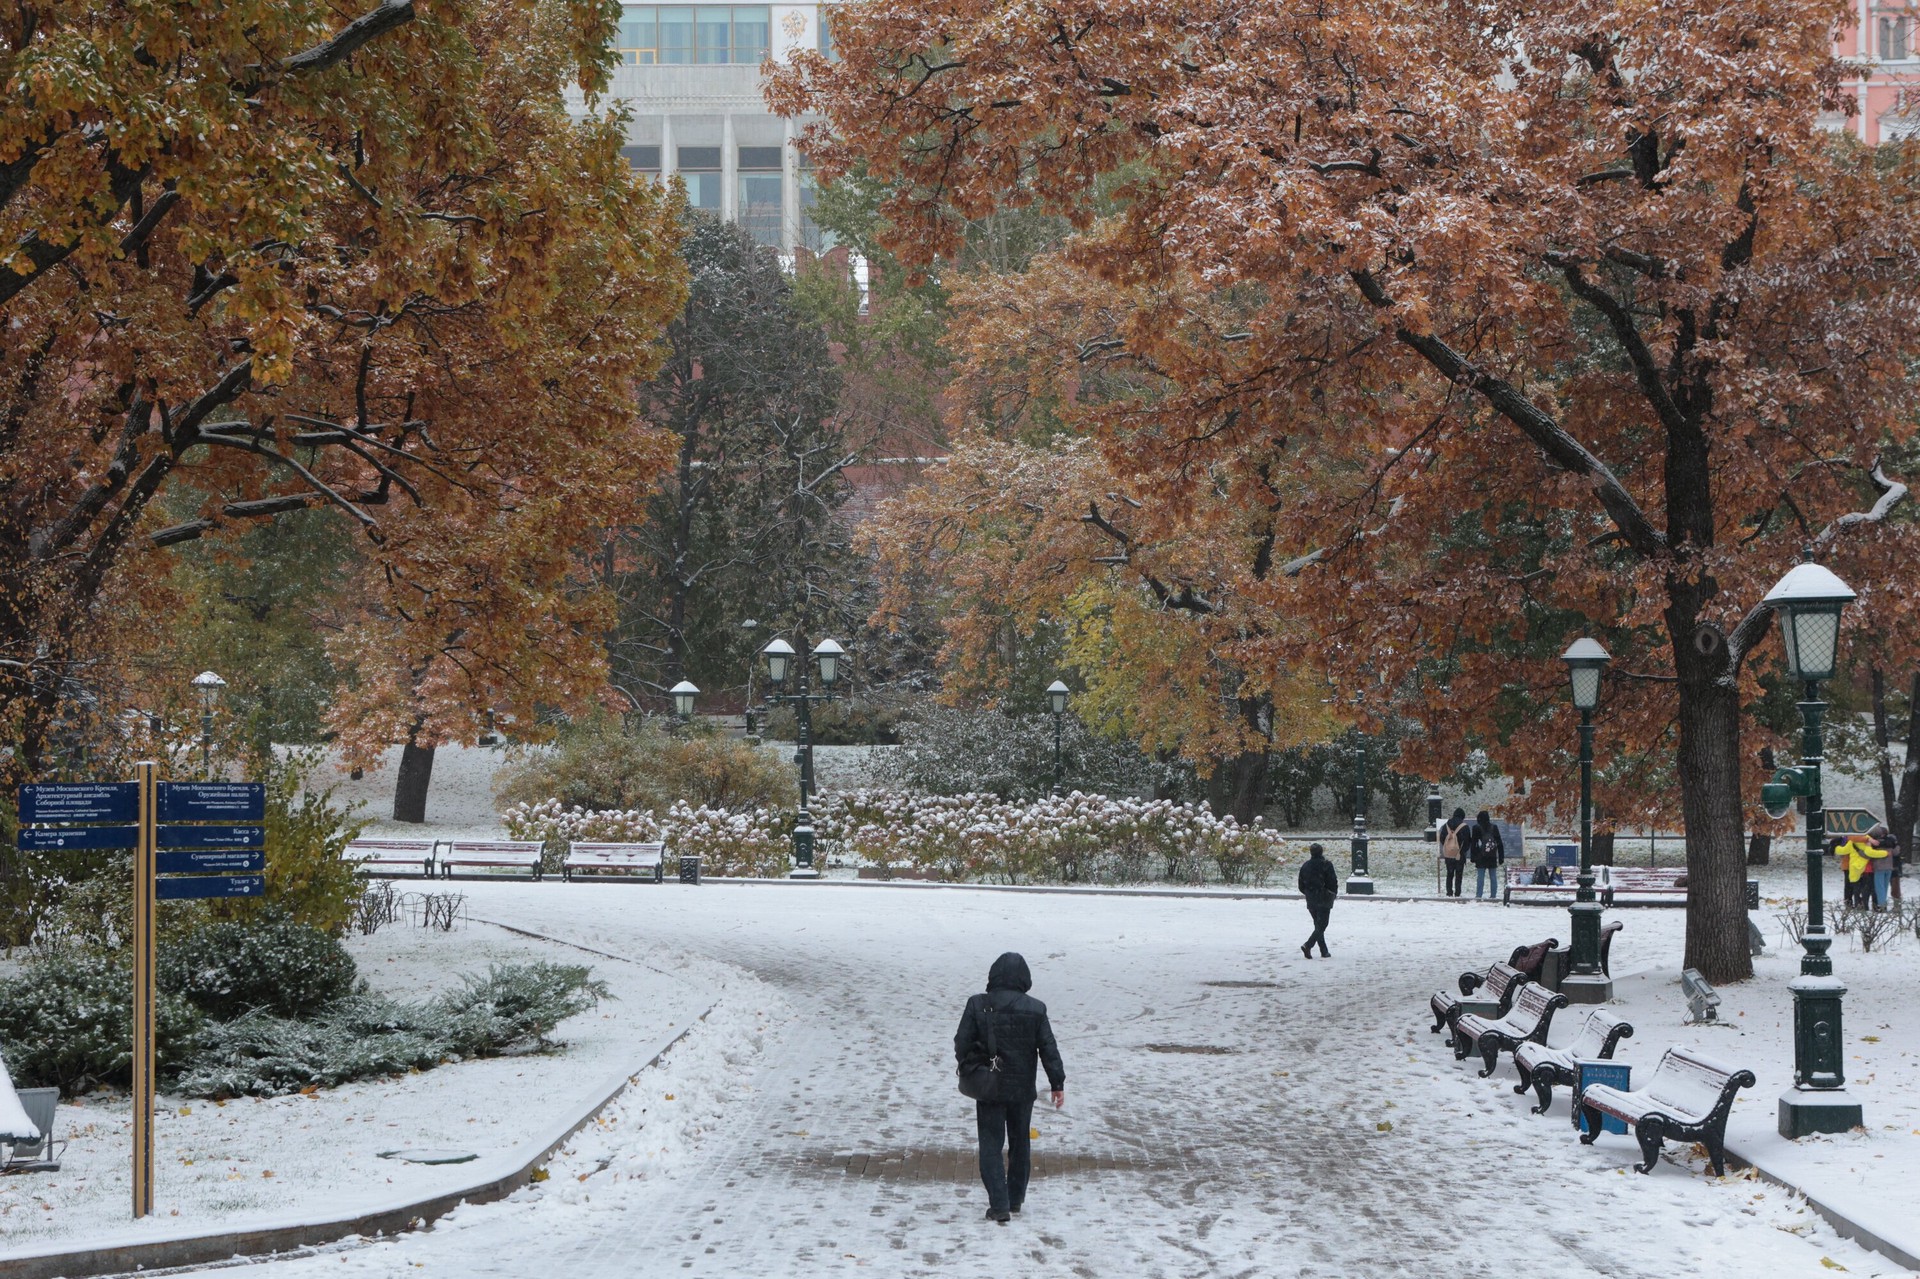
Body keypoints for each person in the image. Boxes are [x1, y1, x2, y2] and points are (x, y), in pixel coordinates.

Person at [954, 953, 1065, 1225]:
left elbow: (961, 1042)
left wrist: (971, 1065)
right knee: (1020, 1143)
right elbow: (1048, 1048)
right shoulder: (1036, 1009)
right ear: (1024, 978)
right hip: (1022, 1089)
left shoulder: (978, 1004)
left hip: (989, 1087)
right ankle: (1015, 1198)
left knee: (991, 1144)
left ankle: (999, 1204)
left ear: (993, 975)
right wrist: (1057, 1083)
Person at [1298, 842, 1338, 958]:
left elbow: (1301, 885)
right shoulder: (1326, 865)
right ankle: (1308, 945)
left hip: (1311, 899)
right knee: (1322, 925)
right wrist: (1332, 893)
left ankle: (1324, 951)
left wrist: (1309, 893)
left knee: (1318, 925)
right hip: (1324, 898)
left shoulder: (1305, 866)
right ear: (1321, 852)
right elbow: (1332, 881)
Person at [1471, 811, 1506, 901]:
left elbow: (1473, 843)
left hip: (1480, 855)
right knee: (1493, 876)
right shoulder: (1494, 827)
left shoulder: (1476, 828)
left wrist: (1473, 857)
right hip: (1492, 855)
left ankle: (1479, 895)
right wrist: (1501, 857)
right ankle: (1493, 895)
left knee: (1480, 877)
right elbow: (1499, 842)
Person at [1439, 807, 1469, 897]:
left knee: (1449, 873)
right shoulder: (1464, 826)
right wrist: (1462, 851)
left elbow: (1442, 838)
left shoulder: (1446, 825)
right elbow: (1468, 841)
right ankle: (1457, 892)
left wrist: (1448, 847)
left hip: (1448, 854)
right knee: (1459, 874)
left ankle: (1449, 892)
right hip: (1459, 854)